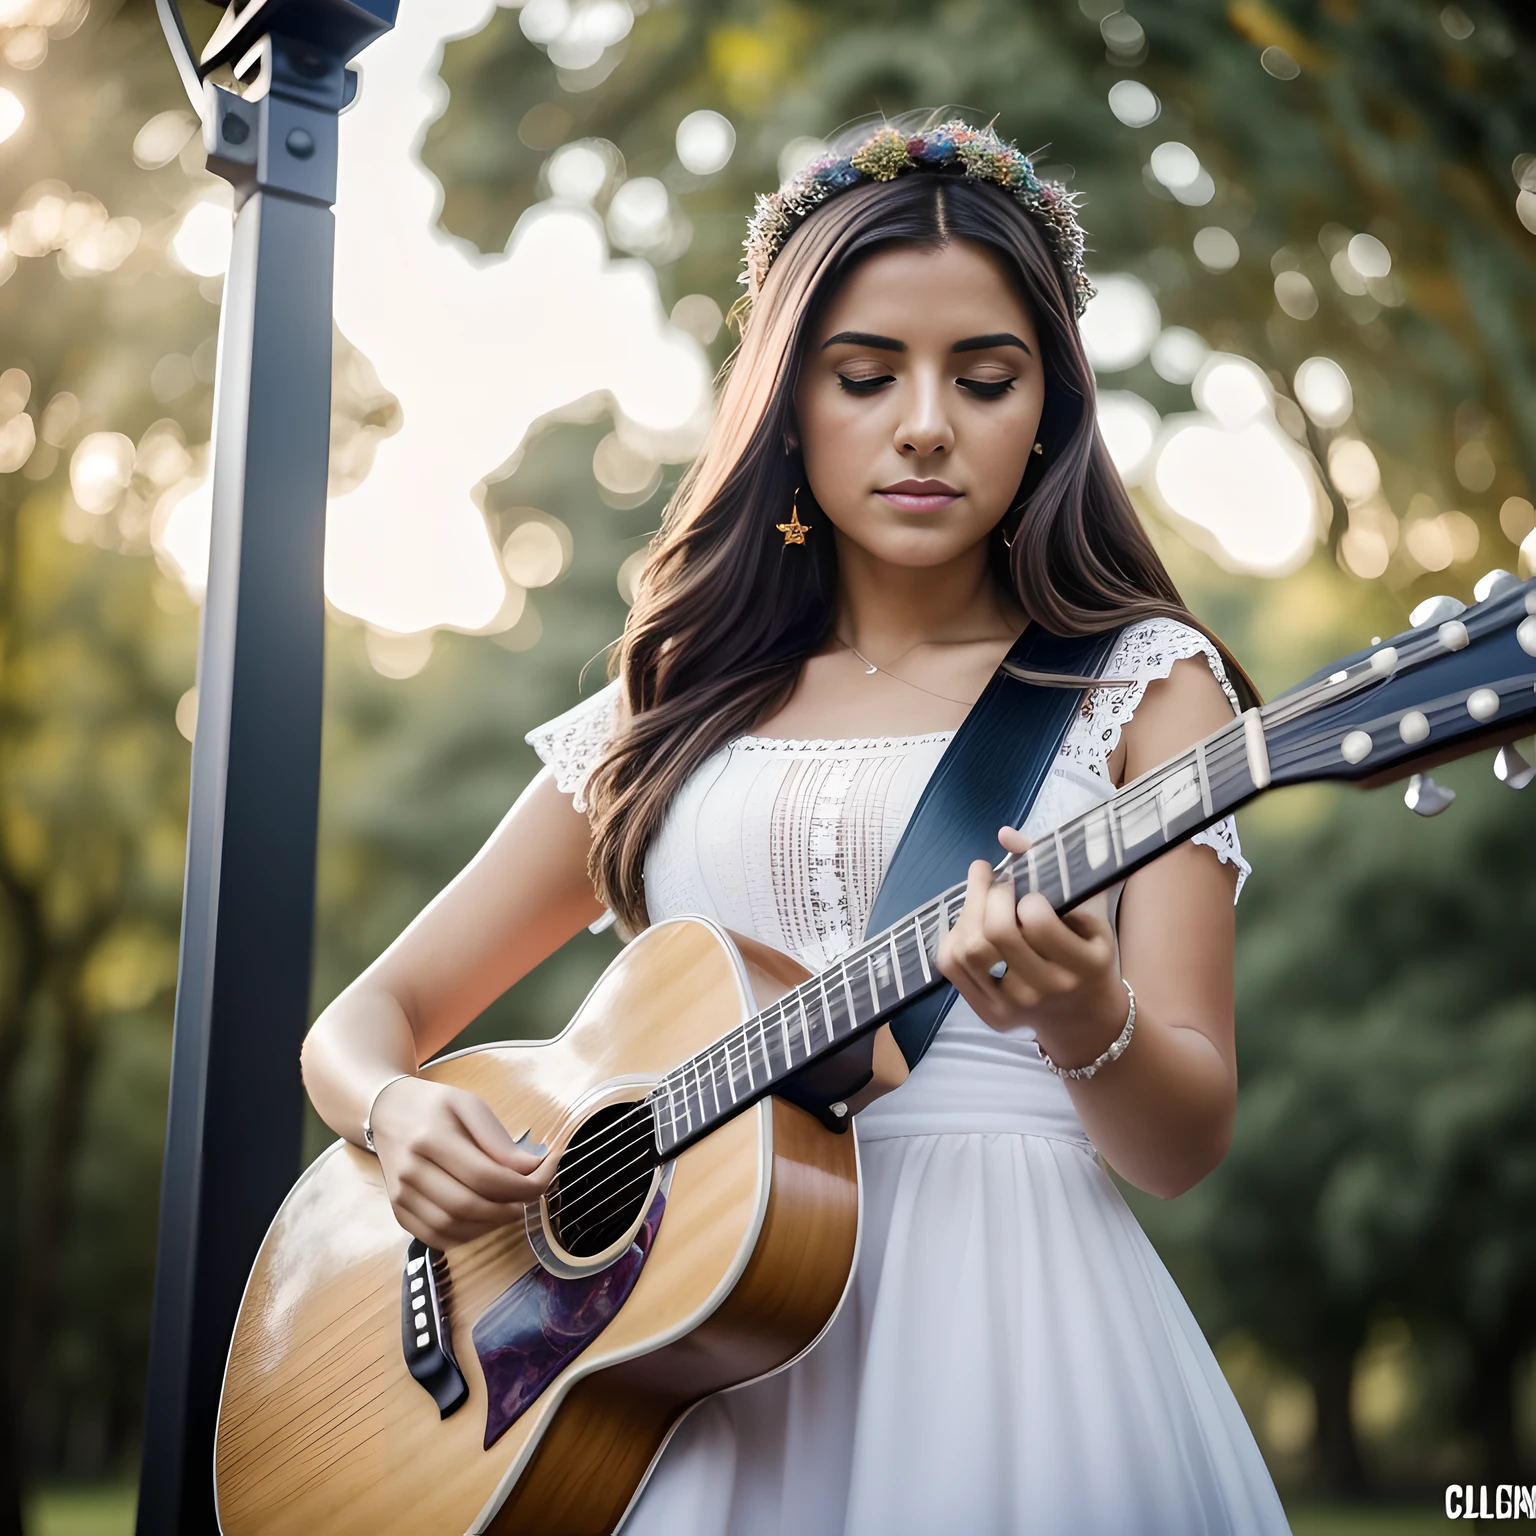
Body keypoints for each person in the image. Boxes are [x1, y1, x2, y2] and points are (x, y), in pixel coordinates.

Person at [301, 111, 1291, 1535]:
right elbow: (364, 1018)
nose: (927, 423)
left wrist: (1087, 1017)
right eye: (865, 374)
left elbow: (1182, 1143)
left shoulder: (1144, 685)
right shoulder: (671, 706)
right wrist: (396, 1109)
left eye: (987, 377)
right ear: (787, 403)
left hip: (1015, 1343)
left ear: (1051, 414)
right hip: (675, 1372)